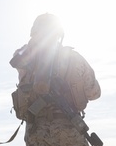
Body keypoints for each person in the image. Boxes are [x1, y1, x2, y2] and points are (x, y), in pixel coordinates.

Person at [11, 13, 101, 146]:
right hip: (69, 130)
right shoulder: (74, 59)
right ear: (59, 33)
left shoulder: (25, 59)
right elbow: (94, 93)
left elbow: (17, 58)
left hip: (36, 134)